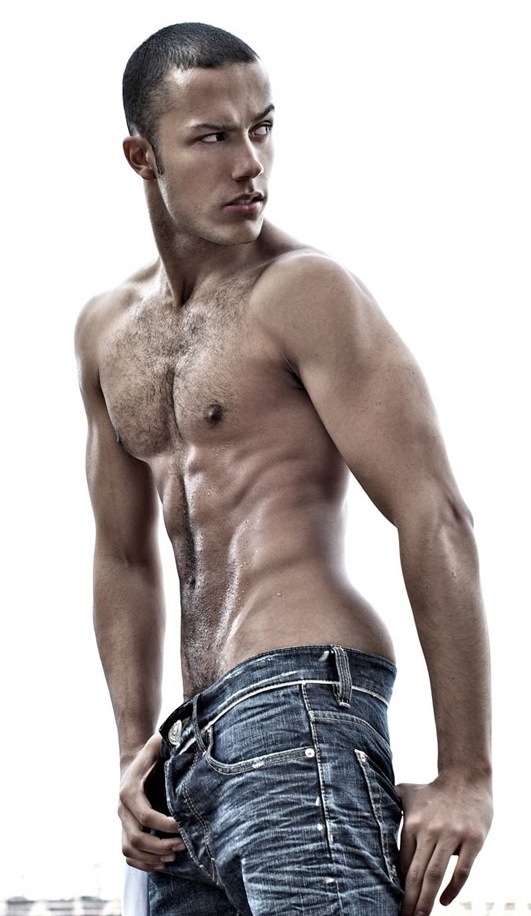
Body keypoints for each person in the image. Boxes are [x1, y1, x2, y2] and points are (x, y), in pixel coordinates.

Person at [75, 21, 493, 916]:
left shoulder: (304, 292)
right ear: (142, 156)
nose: (249, 165)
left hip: (299, 705)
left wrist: (466, 772)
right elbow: (122, 555)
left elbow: (434, 512)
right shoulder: (106, 333)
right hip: (184, 761)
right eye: (212, 137)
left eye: (261, 128)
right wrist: (131, 750)